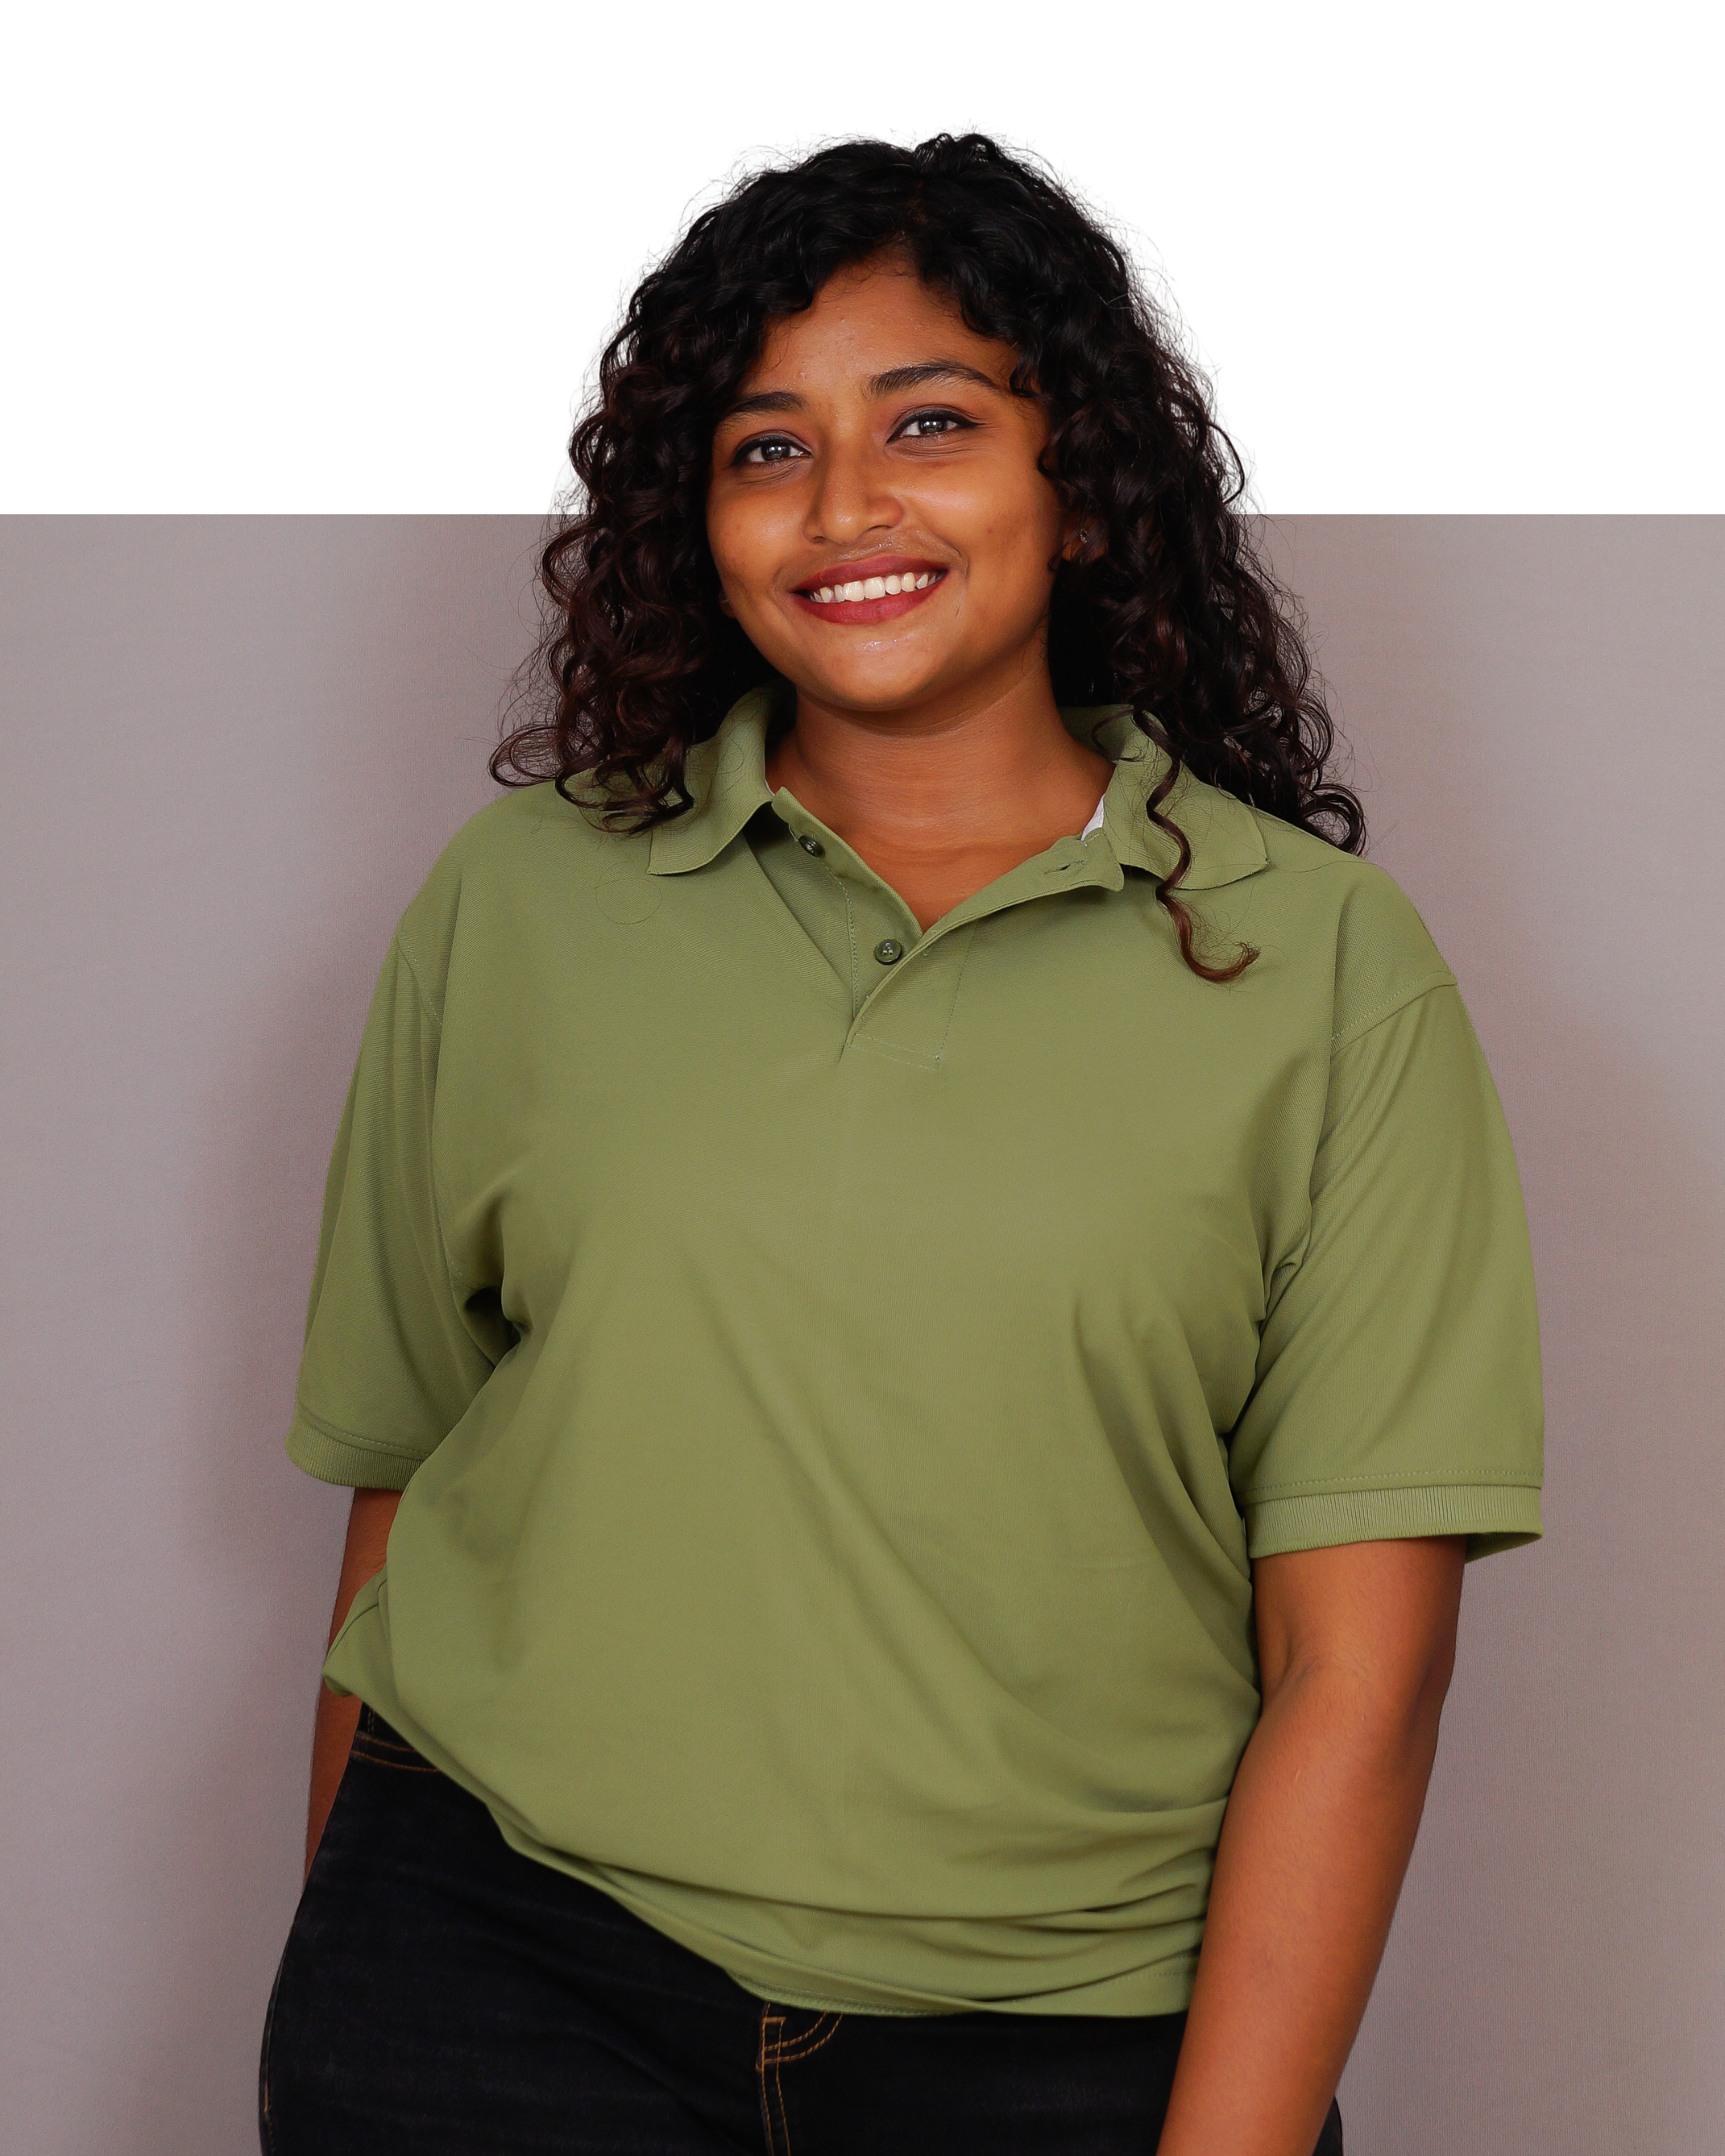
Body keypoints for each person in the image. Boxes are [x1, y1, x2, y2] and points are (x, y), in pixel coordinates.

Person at [259, 134, 1544, 2156]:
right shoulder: (520, 901)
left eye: (928, 422)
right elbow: (410, 1487)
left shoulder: (1324, 973)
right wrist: (341, 1969)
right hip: (497, 1980)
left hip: (1060, 2044)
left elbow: (1356, 1682)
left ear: (1085, 485)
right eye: (766, 449)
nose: (844, 505)